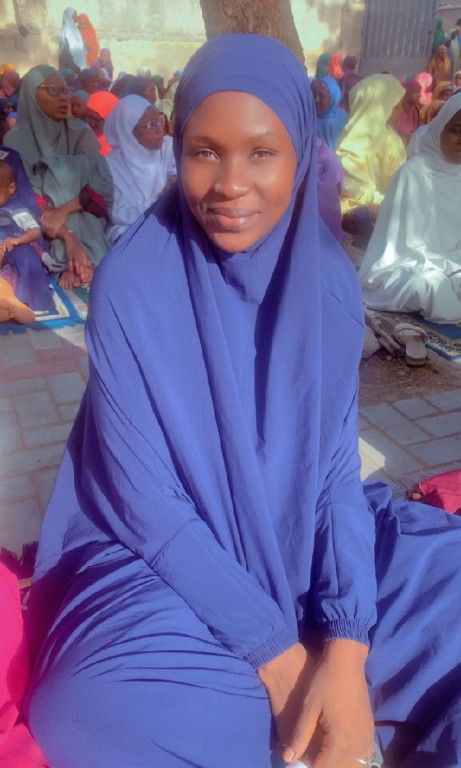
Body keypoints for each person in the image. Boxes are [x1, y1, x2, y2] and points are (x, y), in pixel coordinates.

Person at [21, 34, 461, 768]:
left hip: (299, 531)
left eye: (262, 153)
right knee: (89, 706)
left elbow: (332, 475)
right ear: (179, 148)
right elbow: (146, 504)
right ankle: (335, 718)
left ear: (300, 156)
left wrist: (347, 640)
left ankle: (336, 705)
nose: (230, 184)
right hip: (164, 562)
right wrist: (279, 659)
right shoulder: (134, 284)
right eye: (205, 151)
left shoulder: (327, 285)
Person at [4, 65, 113, 289]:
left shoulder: (80, 132)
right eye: (53, 90)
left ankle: (76, 260)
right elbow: (25, 196)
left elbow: (104, 187)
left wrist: (65, 210)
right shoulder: (15, 142)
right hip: (40, 224)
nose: (63, 97)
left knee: (69, 178)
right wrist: (67, 236)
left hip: (87, 216)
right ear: (31, 94)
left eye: (66, 91)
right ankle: (73, 258)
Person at [359, 93, 461, 323]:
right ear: (439, 130)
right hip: (410, 263)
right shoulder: (413, 173)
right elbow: (408, 246)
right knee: (431, 288)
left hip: (452, 262)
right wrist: (447, 266)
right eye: (455, 130)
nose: (460, 139)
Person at [336, 74, 406, 243]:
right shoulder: (350, 144)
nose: (401, 111)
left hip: (386, 207)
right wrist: (387, 204)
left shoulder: (391, 139)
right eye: (397, 105)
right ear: (382, 105)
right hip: (358, 214)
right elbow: (356, 189)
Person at [104, 95, 176, 243]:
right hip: (130, 225)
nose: (160, 130)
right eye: (151, 125)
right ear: (129, 131)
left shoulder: (168, 147)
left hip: (168, 217)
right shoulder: (112, 164)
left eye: (160, 121)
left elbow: (179, 175)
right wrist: (161, 204)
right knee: (121, 234)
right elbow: (119, 213)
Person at [0, 158, 54, 323]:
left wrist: (17, 240)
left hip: (14, 252)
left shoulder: (16, 210)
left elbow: (35, 231)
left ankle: (18, 303)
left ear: (11, 189)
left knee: (25, 258)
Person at [311, 77, 348, 150]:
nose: (316, 100)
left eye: (321, 96)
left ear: (332, 98)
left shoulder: (342, 118)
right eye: (314, 95)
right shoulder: (310, 117)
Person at [387, 79, 421, 146]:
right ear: (406, 93)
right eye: (416, 92)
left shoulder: (415, 111)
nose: (419, 95)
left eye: (420, 92)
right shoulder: (396, 109)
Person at [86, 91, 119, 156]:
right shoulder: (82, 137)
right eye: (89, 117)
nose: (91, 123)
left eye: (97, 120)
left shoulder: (119, 149)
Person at [58, 8, 85, 73]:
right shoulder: (67, 30)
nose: (77, 17)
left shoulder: (74, 29)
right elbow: (67, 49)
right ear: (70, 16)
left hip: (76, 62)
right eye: (75, 15)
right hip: (70, 62)